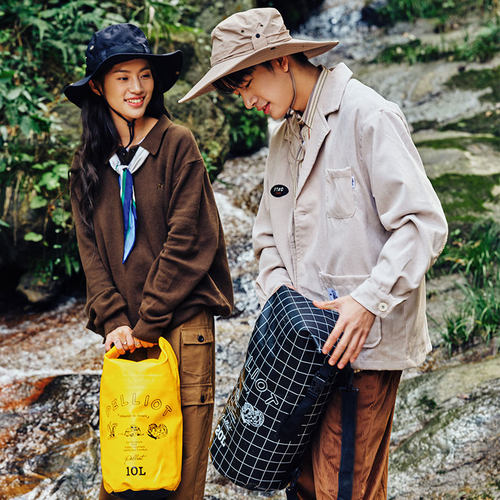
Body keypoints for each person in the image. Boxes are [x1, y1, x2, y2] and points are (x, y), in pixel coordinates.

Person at [180, 7, 447, 499]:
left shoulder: (370, 115)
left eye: (246, 83)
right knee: (301, 484)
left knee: (342, 488)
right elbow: (265, 238)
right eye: (235, 91)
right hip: (302, 353)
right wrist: (286, 303)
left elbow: (423, 223)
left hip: (360, 348)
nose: (245, 101)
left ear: (281, 62)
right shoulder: (282, 134)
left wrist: (368, 301)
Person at [64, 23, 233, 500]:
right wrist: (116, 320)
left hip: (179, 325)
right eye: (122, 77)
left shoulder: (177, 144)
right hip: (124, 335)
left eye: (143, 75)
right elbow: (90, 250)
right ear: (98, 86)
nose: (136, 88)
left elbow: (190, 240)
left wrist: (148, 321)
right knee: (126, 476)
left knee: (177, 476)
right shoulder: (87, 162)